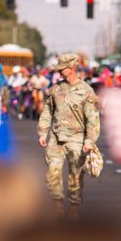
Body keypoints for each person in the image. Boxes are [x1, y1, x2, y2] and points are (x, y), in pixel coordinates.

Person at [37, 53, 100, 218]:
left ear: (72, 68)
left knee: (75, 176)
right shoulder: (56, 89)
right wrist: (43, 132)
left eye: (62, 69)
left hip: (77, 140)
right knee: (52, 173)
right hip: (56, 139)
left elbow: (93, 120)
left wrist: (89, 141)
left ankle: (74, 209)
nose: (58, 72)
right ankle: (57, 209)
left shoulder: (86, 92)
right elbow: (47, 112)